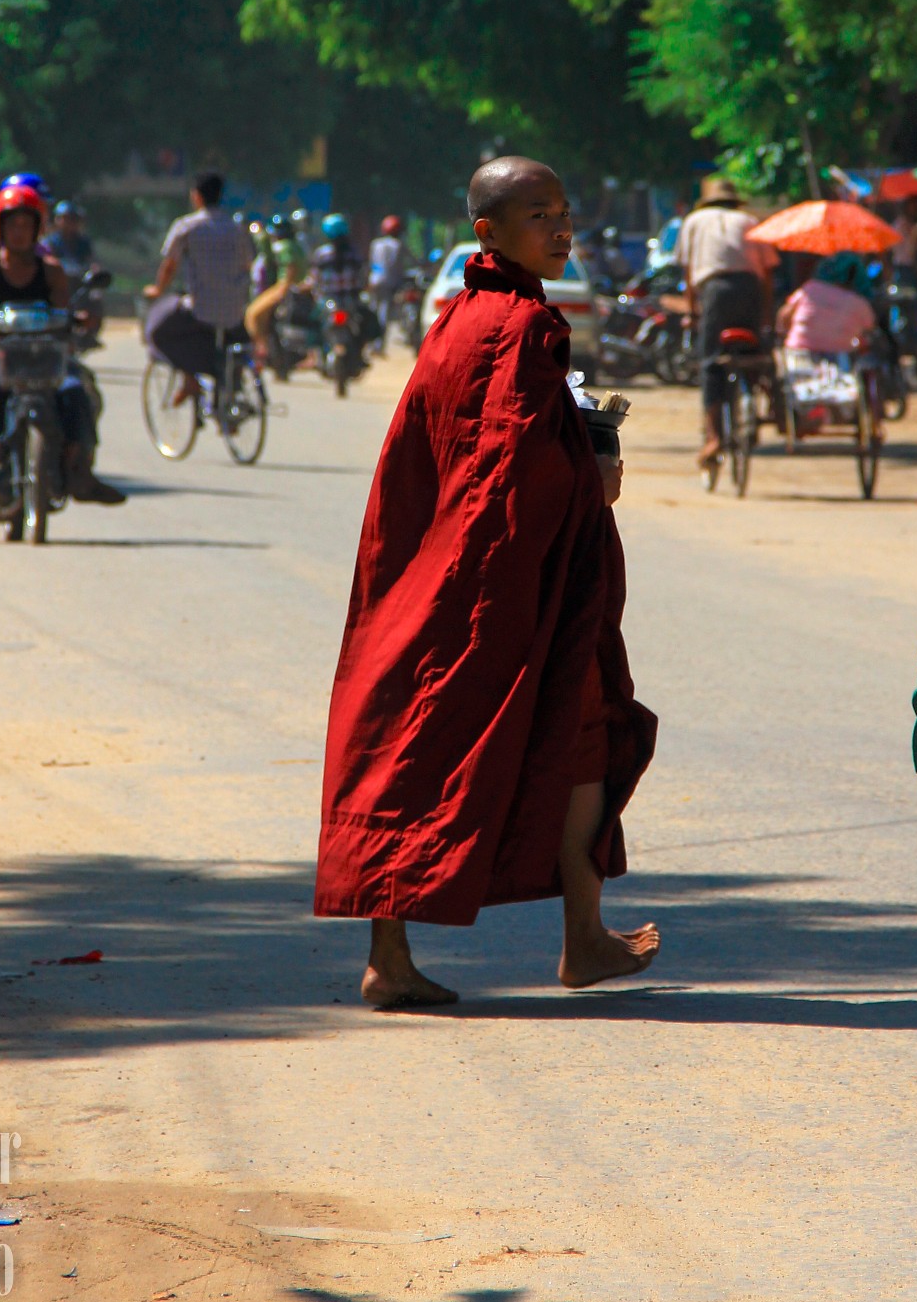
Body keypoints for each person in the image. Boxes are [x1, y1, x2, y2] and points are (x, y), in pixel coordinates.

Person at [315, 155, 659, 1007]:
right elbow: (516, 470)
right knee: (437, 745)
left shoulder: (461, 317)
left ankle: (581, 938)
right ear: (489, 232)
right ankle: (395, 961)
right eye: (538, 213)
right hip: (492, 584)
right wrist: (595, 479)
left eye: (564, 210)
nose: (560, 227)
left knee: (564, 732)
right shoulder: (521, 328)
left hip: (448, 570)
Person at [0, 184, 123, 508]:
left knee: (78, 394)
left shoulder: (52, 271)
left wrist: (76, 319)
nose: (19, 233)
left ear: (37, 229)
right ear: (0, 226)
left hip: (46, 360)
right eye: (12, 225)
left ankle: (78, 468)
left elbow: (62, 308)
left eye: (26, 226)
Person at [674, 176, 778, 470]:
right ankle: (751, 410)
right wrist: (765, 314)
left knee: (710, 363)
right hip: (751, 289)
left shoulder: (694, 220)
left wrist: (693, 312)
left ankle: (713, 438)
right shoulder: (749, 220)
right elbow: (767, 274)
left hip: (716, 292)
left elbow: (689, 272)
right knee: (753, 354)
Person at [143, 171, 254, 401]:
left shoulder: (187, 226)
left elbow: (170, 265)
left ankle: (190, 379)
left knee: (157, 331)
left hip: (200, 308)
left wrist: (157, 290)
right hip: (234, 310)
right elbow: (248, 265)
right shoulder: (237, 229)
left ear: (196, 196)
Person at [776, 253, 878, 354]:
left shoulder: (810, 288)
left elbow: (784, 315)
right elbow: (869, 332)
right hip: (839, 359)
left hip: (797, 355)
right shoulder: (861, 304)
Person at [245, 213, 307, 369]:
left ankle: (261, 350)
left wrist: (282, 290)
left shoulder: (284, 246)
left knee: (252, 314)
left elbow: (290, 269)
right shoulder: (295, 245)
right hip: (291, 286)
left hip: (283, 286)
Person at [367, 214, 407, 336]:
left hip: (374, 281)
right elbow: (405, 263)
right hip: (390, 283)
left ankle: (372, 339)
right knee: (384, 312)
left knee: (374, 310)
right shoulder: (398, 244)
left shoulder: (375, 244)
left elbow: (373, 264)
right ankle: (379, 341)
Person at [46, 201, 95, 278]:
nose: (69, 223)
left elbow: (90, 261)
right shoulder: (51, 241)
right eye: (66, 219)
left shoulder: (83, 242)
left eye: (73, 219)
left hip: (79, 278)